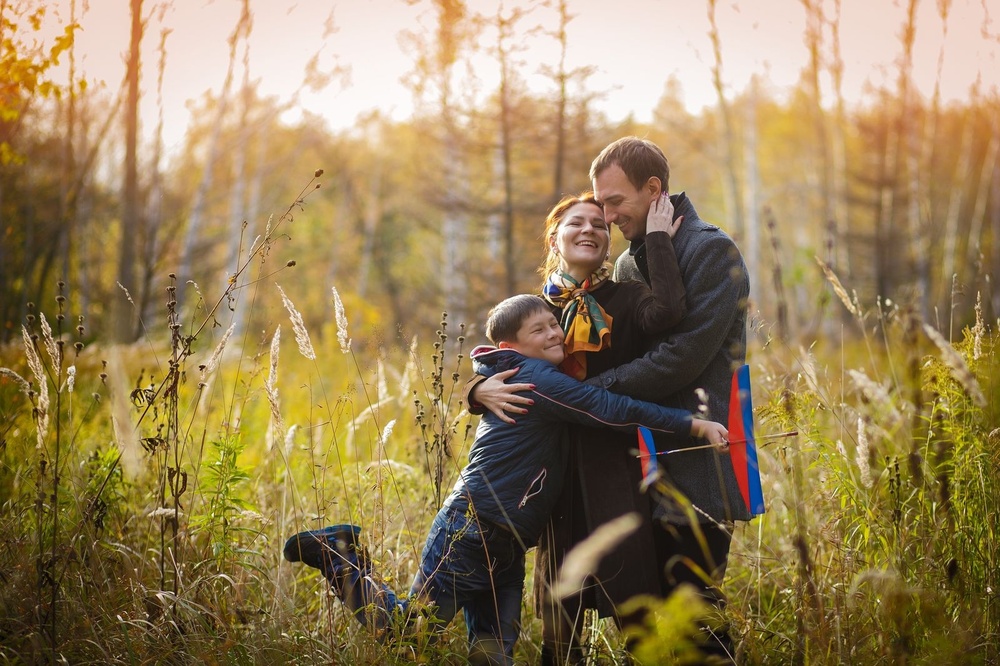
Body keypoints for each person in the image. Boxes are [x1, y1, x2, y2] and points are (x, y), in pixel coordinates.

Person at [284, 293, 729, 666]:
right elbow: (610, 409)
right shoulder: (534, 378)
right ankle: (336, 553)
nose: (555, 333)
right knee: (413, 633)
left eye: (554, 325)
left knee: (492, 653)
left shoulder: (535, 375)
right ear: (510, 346)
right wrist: (693, 424)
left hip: (507, 541)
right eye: (539, 331)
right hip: (472, 529)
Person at [473, 137, 751, 662]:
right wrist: (478, 386)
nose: (604, 215)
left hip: (691, 456)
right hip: (620, 464)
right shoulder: (624, 266)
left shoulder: (709, 249)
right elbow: (511, 347)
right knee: (628, 615)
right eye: (596, 206)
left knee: (692, 609)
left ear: (654, 190)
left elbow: (681, 356)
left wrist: (575, 397)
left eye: (613, 205)